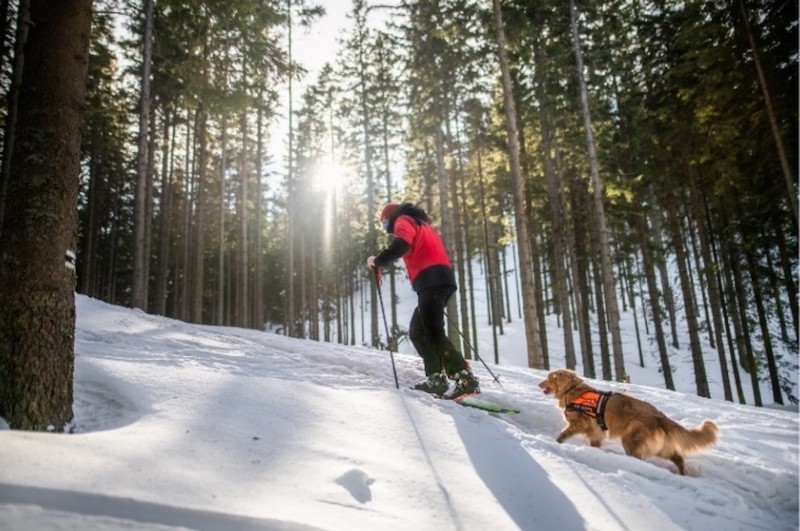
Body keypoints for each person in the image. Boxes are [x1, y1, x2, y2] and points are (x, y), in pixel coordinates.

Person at [367, 202, 480, 399]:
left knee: (433, 333)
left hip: (431, 279)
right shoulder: (422, 225)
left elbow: (400, 244)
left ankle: (464, 378)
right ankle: (436, 379)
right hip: (439, 279)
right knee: (418, 332)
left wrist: (377, 261)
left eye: (385, 221)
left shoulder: (403, 220)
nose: (385, 227)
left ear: (391, 217)